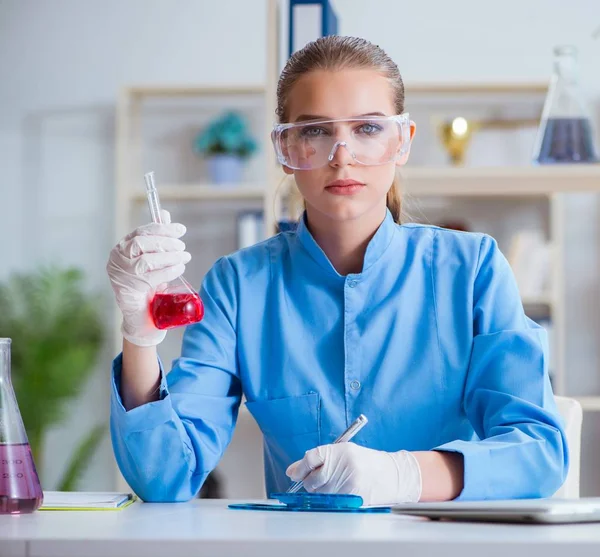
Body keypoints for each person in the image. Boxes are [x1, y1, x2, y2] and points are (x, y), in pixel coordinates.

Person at [106, 35, 568, 505]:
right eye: (315, 132)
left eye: (367, 128)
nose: (342, 155)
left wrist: (401, 475)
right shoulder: (238, 286)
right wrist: (140, 339)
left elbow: (539, 452)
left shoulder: (472, 270)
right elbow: (164, 478)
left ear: (402, 141)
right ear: (285, 147)